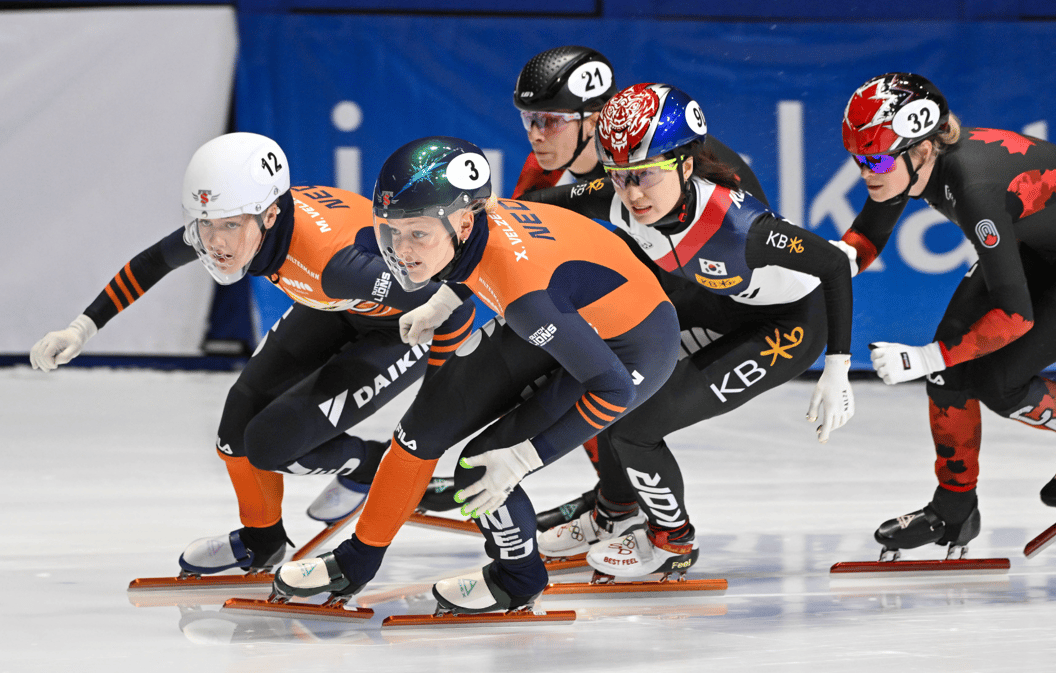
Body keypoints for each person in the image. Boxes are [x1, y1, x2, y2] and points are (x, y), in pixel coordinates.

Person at [29, 132, 474, 575]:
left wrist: (433, 402)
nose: (216, 242)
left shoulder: (334, 264)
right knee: (235, 428)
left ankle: (368, 464)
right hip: (332, 307)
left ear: (270, 215)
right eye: (206, 223)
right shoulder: (239, 213)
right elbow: (152, 262)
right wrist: (81, 328)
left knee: (271, 446)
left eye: (229, 225)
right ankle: (263, 542)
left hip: (395, 330)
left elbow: (455, 299)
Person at [270, 136, 680, 615]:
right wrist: (443, 300)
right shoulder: (475, 226)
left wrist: (525, 458)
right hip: (569, 314)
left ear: (463, 222)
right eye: (391, 233)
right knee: (420, 429)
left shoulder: (526, 298)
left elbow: (613, 387)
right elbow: (475, 261)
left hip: (631, 348)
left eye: (418, 234)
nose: (402, 251)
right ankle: (354, 562)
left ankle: (518, 579)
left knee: (483, 465)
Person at [519, 83, 857, 578]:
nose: (633, 195)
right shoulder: (622, 198)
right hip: (723, 303)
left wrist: (839, 369)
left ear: (684, 164)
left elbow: (832, 265)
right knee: (611, 381)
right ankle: (614, 512)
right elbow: (547, 201)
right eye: (619, 177)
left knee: (637, 427)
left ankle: (672, 541)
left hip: (790, 326)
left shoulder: (742, 227)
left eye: (646, 177)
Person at [837, 72, 1056, 556]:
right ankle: (953, 510)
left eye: (875, 158)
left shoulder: (976, 188)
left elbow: (1014, 316)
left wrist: (929, 356)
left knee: (998, 381)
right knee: (949, 371)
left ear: (922, 151)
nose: (865, 172)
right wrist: (817, 271)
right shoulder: (909, 163)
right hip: (1042, 241)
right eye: (858, 158)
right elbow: (866, 236)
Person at [510, 45, 767, 206]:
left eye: (550, 121)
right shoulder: (544, 162)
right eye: (529, 120)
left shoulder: (653, 150)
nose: (535, 135)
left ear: (593, 121)